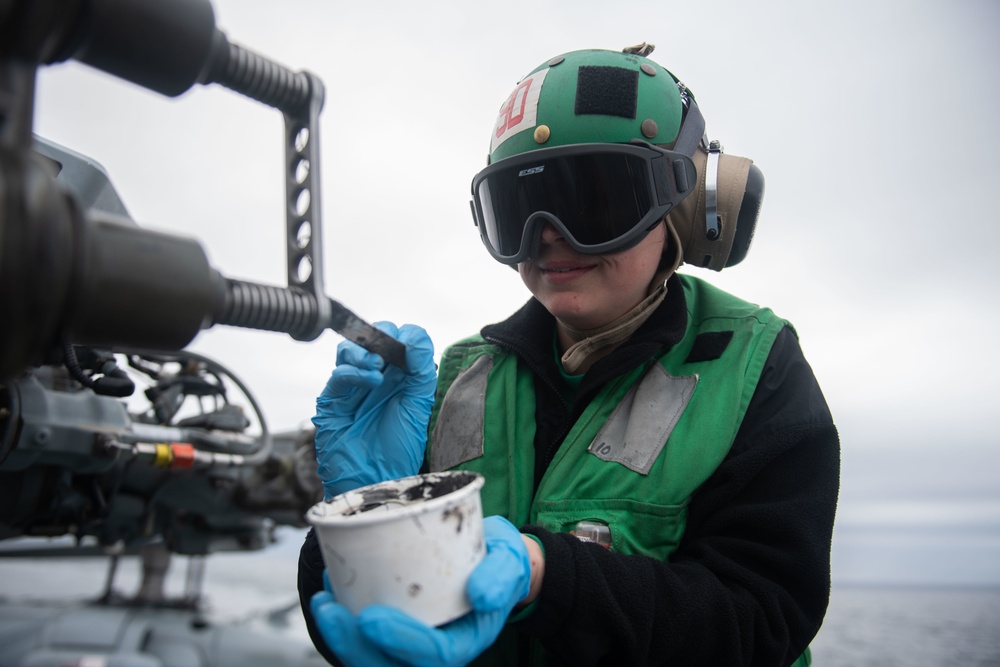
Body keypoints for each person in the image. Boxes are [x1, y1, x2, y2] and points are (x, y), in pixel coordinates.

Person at [297, 44, 840, 667]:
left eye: (595, 198)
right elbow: (377, 613)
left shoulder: (753, 365)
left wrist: (547, 578)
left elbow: (762, 620)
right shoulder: (460, 376)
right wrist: (356, 527)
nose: (549, 237)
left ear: (685, 207)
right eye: (520, 208)